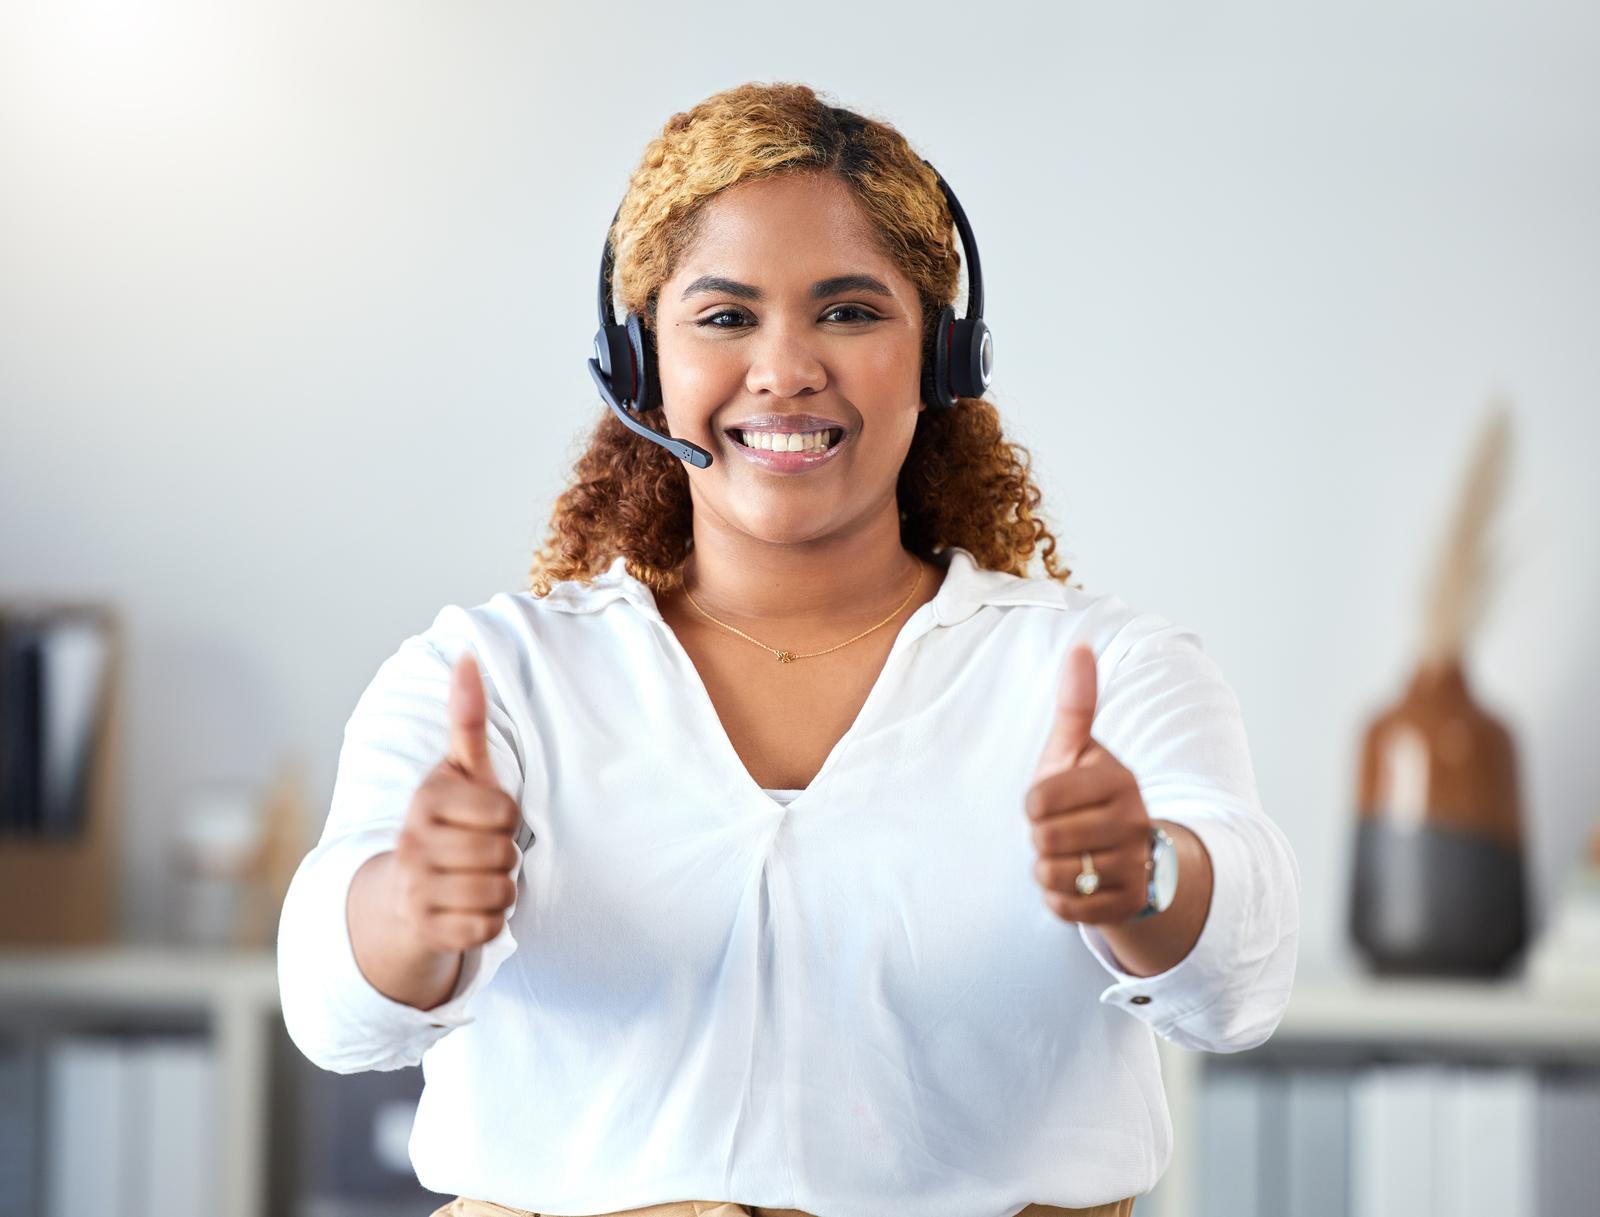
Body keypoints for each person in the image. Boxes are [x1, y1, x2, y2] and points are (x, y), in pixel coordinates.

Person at [276, 81, 1300, 1217]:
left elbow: (1241, 985)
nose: (785, 368)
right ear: (639, 362)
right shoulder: (492, 677)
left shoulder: (1101, 671)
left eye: (851, 311)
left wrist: (1142, 874)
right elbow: (332, 1012)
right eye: (723, 317)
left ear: (942, 357)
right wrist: (409, 905)